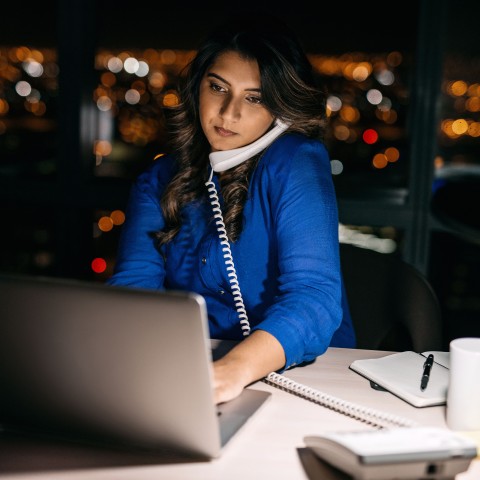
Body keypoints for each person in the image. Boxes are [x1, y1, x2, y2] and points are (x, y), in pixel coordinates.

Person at [107, 13, 356, 405]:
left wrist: (231, 371)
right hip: (193, 374)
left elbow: (314, 297)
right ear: (197, 87)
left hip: (308, 378)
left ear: (282, 110)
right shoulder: (158, 179)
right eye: (218, 87)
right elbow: (134, 289)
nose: (228, 113)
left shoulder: (297, 162)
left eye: (254, 98)